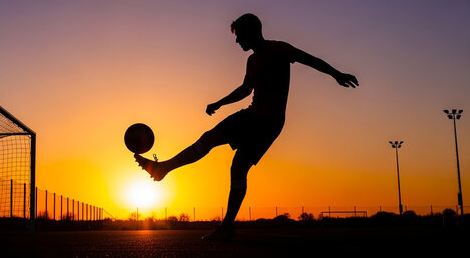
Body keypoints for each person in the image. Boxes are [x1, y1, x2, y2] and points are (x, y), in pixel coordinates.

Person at [134, 13, 359, 240]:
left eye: (239, 35)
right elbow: (245, 89)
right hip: (257, 118)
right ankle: (176, 179)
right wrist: (219, 103)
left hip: (265, 122)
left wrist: (336, 74)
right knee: (222, 152)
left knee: (230, 159)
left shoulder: (279, 49)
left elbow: (311, 60)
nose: (237, 41)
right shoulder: (251, 61)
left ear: (251, 32)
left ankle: (216, 216)